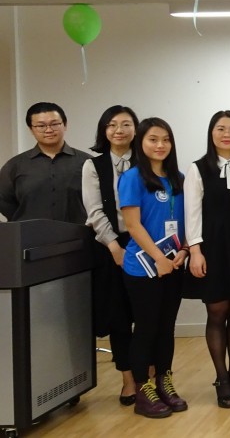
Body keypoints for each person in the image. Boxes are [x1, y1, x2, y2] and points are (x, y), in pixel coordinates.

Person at [183, 111, 230, 408]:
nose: (227, 134)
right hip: (211, 248)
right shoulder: (197, 168)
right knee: (217, 313)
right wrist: (196, 251)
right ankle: (221, 378)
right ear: (211, 133)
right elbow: (192, 213)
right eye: (220, 129)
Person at [118, 118, 188, 418]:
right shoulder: (133, 177)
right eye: (153, 139)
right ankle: (143, 389)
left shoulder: (178, 178)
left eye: (166, 140)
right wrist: (158, 258)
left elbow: (185, 220)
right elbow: (133, 225)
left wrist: (183, 250)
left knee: (166, 328)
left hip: (173, 264)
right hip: (143, 268)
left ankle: (164, 382)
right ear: (140, 143)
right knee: (146, 328)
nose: (160, 145)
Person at [82, 105, 140, 405]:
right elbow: (94, 213)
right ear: (104, 131)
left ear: (135, 128)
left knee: (147, 315)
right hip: (111, 247)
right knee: (119, 318)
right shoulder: (94, 166)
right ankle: (128, 379)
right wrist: (114, 246)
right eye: (113, 124)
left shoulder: (147, 160)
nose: (120, 130)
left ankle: (151, 376)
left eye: (126, 124)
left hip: (147, 245)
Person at [0, 102, 89, 223]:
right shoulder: (14, 166)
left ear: (65, 125)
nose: (48, 130)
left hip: (77, 237)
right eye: (41, 126)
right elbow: (4, 201)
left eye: (54, 124)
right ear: (31, 129)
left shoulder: (86, 162)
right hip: (29, 237)